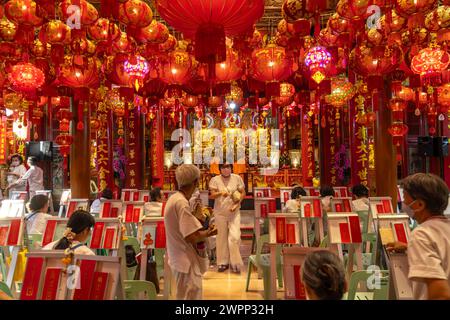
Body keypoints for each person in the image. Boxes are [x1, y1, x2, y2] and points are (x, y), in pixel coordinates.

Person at [386, 173, 450, 300]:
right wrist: (409, 247)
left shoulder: (421, 234)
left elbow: (440, 294)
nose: (403, 203)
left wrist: (416, 244)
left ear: (420, 205)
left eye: (405, 198)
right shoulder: (445, 228)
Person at [165, 164, 217, 300]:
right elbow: (191, 236)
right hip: (184, 260)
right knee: (190, 296)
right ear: (196, 182)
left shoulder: (174, 199)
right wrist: (209, 233)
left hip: (179, 258)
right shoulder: (181, 203)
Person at [209, 163, 245, 273]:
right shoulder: (215, 180)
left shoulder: (237, 178)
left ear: (231, 168)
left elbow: (242, 192)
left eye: (228, 167)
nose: (226, 169)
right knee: (221, 237)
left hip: (234, 212)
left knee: (234, 237)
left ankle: (235, 263)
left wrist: (237, 204)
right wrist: (220, 193)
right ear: (220, 169)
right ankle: (222, 262)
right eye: (223, 167)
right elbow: (212, 195)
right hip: (220, 212)